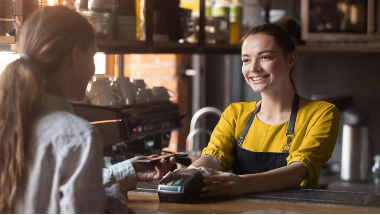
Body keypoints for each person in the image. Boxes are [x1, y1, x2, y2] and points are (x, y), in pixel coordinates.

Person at [0, 6, 174, 214]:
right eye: (92, 56)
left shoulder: (9, 119)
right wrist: (114, 200)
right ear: (75, 54)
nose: (93, 69)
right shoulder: (79, 135)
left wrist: (125, 171)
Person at [191, 24, 340, 197]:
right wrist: (188, 174)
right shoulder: (235, 113)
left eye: (265, 57)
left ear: (290, 59)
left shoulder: (322, 113)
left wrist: (241, 184)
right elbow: (213, 157)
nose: (253, 68)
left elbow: (299, 170)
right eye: (246, 60)